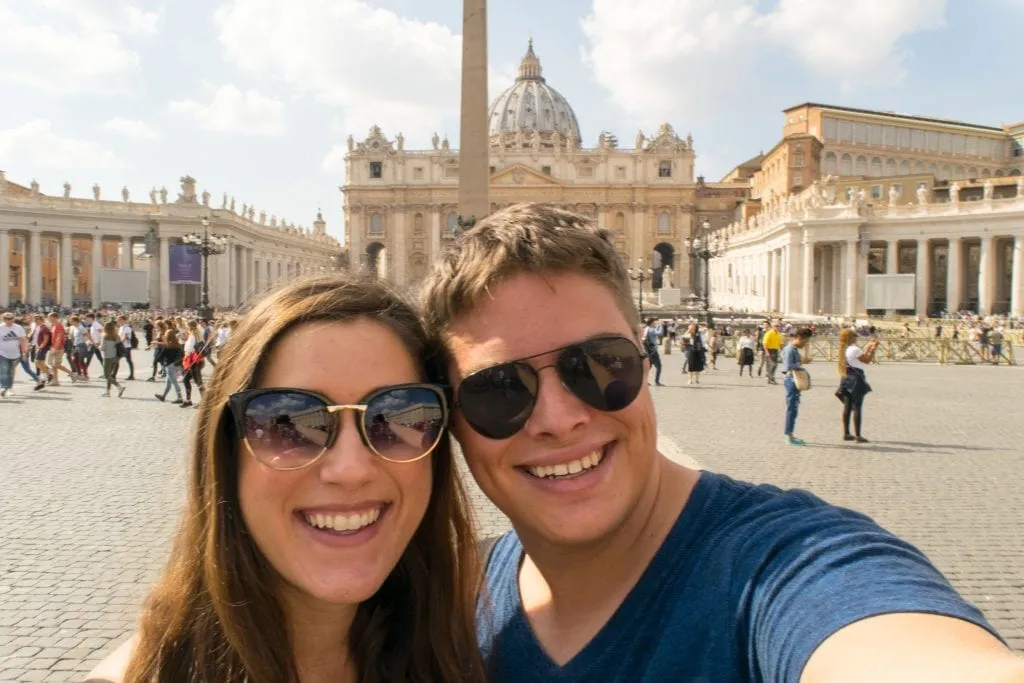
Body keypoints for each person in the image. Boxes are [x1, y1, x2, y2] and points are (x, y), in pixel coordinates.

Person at [420, 203, 1019, 683]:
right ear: (448, 417)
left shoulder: (786, 565)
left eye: (600, 364)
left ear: (645, 358)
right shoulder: (458, 599)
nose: (558, 419)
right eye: (498, 390)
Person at [88, 275, 484, 683]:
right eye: (288, 421)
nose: (350, 470)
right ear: (226, 453)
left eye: (397, 414)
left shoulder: (462, 649)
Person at [837, 327, 877, 443]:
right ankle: (858, 435)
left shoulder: (844, 349)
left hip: (845, 378)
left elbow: (859, 355)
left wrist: (868, 346)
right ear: (852, 338)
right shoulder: (854, 349)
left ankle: (846, 433)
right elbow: (866, 359)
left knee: (847, 407)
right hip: (856, 380)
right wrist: (873, 349)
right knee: (857, 407)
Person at [780, 327, 813, 446]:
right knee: (791, 408)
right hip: (791, 379)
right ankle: (788, 435)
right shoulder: (790, 349)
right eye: (805, 341)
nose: (805, 344)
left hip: (792, 379)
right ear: (799, 338)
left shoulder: (792, 348)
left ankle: (790, 434)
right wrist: (802, 362)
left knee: (794, 408)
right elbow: (788, 365)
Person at [0, 311, 29, 398]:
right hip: (2, 353)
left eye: (11, 318)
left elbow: (23, 340)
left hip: (15, 354)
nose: (9, 320)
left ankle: (9, 388)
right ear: (3, 319)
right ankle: (3, 388)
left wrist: (24, 353)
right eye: (7, 319)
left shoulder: (19, 328)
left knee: (11, 372)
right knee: (4, 370)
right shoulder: (0, 328)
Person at [641, 317, 662, 386]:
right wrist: (660, 325)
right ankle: (657, 381)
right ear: (651, 323)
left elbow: (643, 338)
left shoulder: (646, 329)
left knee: (648, 367)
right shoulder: (651, 329)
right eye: (654, 323)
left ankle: (644, 381)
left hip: (648, 350)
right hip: (653, 350)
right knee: (659, 366)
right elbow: (659, 333)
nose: (655, 324)